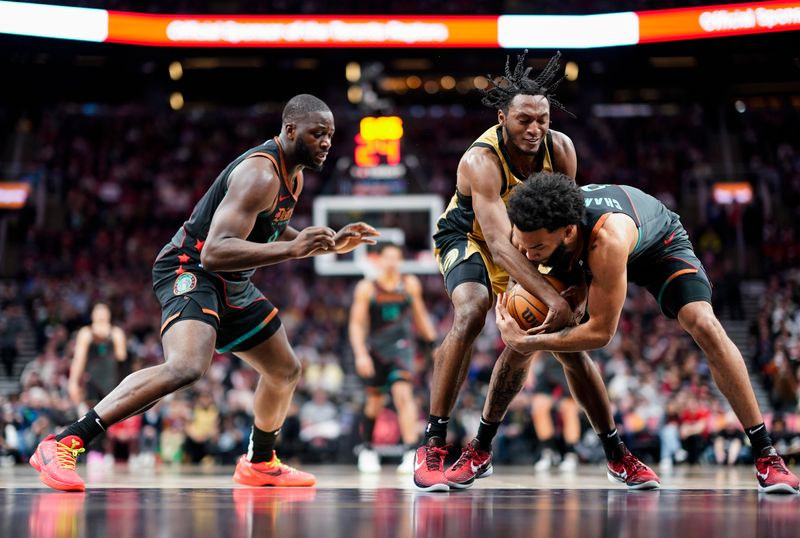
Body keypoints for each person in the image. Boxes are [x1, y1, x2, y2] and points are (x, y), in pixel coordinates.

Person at [30, 94, 379, 491]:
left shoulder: (292, 176)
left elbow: (270, 229)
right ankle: (64, 441)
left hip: (232, 281)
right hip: (191, 266)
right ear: (290, 130)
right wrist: (293, 251)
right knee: (187, 366)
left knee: (285, 370)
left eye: (331, 135)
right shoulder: (260, 174)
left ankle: (260, 462)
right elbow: (214, 253)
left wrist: (329, 244)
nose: (327, 142)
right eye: (318, 133)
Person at [495, 173, 799, 493]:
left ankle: (766, 453)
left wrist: (528, 341)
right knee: (554, 326)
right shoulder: (532, 226)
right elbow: (523, 253)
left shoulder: (606, 239)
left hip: (659, 247)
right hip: (582, 252)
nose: (527, 255)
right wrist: (532, 301)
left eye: (536, 247)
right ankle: (489, 446)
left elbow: (601, 333)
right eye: (523, 245)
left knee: (705, 325)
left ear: (568, 231)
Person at [414, 50, 578, 492]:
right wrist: (554, 297)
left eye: (542, 119)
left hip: (524, 246)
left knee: (550, 340)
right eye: (524, 119)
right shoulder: (480, 161)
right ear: (503, 116)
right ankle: (433, 441)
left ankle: (485, 445)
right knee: (472, 310)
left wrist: (572, 290)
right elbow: (501, 248)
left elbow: (566, 224)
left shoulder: (560, 149)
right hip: (469, 239)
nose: (534, 129)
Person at [349, 243, 437, 474]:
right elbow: (357, 324)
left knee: (403, 394)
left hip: (403, 347)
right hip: (376, 349)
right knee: (374, 401)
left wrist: (433, 343)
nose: (391, 262)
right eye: (387, 257)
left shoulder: (409, 284)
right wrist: (360, 353)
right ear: (378, 260)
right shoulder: (367, 288)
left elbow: (420, 316)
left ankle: (410, 451)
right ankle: (367, 448)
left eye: (396, 258)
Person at [67, 302, 128, 466]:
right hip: (93, 381)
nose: (101, 315)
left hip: (112, 381)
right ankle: (93, 452)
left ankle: (108, 452)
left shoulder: (116, 332)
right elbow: (79, 360)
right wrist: (73, 382)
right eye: (98, 311)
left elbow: (122, 359)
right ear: (92, 314)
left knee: (109, 418)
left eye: (104, 311)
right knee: (92, 416)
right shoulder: (86, 333)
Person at [528, 351, 581, 472]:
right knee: (538, 407)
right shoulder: (544, 357)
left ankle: (570, 454)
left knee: (569, 409)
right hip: (549, 382)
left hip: (568, 381)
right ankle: (549, 451)